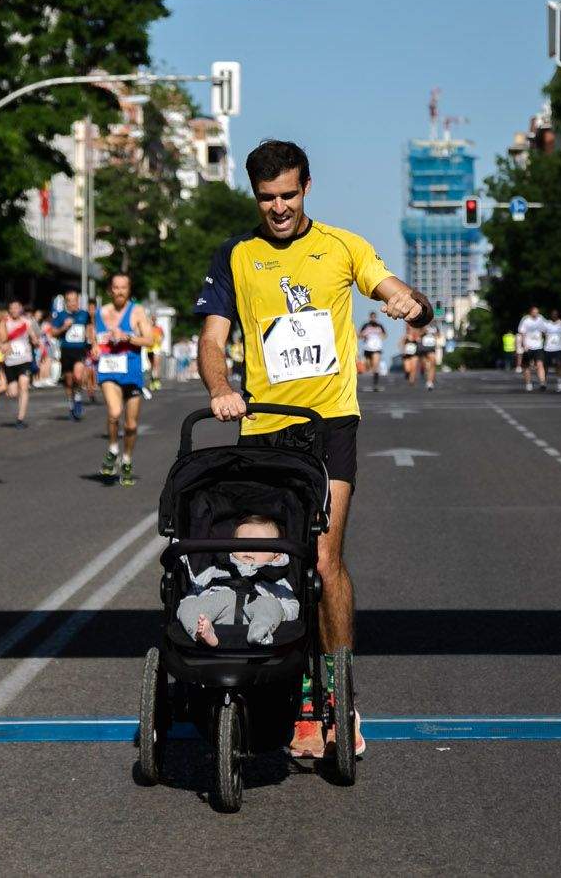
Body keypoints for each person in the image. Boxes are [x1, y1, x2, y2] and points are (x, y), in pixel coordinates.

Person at [196, 139, 434, 763]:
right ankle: (295, 694)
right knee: (268, 563)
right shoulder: (236, 255)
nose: (278, 208)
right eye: (267, 198)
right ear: (255, 196)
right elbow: (213, 340)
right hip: (264, 430)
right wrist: (221, 388)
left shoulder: (342, 246)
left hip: (328, 425)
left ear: (307, 188)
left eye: (288, 195)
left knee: (324, 560)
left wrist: (408, 302)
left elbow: (394, 290)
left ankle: (338, 693)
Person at [177, 514, 300, 648]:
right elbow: (196, 590)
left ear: (277, 555)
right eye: (243, 543)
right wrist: (194, 603)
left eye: (259, 545)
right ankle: (201, 633)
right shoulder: (216, 570)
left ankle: (260, 632)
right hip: (218, 612)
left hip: (256, 613)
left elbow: (292, 605)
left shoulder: (276, 579)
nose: (249, 549)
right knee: (187, 605)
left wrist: (280, 612)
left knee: (272, 605)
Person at [93, 271, 155, 487]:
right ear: (110, 289)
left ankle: (126, 459)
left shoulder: (137, 312)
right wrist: (93, 349)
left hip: (132, 372)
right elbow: (95, 339)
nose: (119, 291)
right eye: (116, 287)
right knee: (114, 412)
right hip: (108, 370)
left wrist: (127, 336)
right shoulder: (100, 313)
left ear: (129, 290)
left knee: (130, 425)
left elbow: (150, 339)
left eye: (123, 287)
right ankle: (112, 448)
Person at [48, 289, 94, 420]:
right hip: (66, 351)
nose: (73, 303)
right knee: (68, 381)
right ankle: (71, 406)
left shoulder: (84, 314)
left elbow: (91, 327)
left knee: (78, 377)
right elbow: (53, 333)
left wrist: (91, 339)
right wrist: (63, 327)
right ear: (66, 302)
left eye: (75, 300)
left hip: (80, 350)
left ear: (78, 301)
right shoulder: (60, 315)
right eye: (70, 301)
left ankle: (78, 398)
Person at [0, 299, 37, 428]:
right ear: (9, 309)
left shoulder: (26, 322)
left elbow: (33, 337)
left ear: (21, 309)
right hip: (10, 361)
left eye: (16, 307)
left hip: (24, 359)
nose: (14, 310)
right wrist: (2, 347)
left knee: (24, 386)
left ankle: (20, 418)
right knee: (13, 392)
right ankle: (8, 390)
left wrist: (35, 341)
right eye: (12, 308)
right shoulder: (5, 323)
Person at [516, 305, 548, 392]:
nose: (536, 314)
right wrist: (524, 345)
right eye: (534, 312)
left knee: (540, 364)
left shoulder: (541, 319)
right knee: (526, 366)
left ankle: (542, 382)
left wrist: (544, 338)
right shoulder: (526, 320)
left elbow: (545, 329)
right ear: (530, 312)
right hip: (528, 346)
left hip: (538, 346)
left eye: (537, 312)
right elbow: (522, 332)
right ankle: (528, 383)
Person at [540, 308, 561, 393]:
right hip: (548, 348)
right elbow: (542, 334)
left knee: (558, 364)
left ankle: (560, 383)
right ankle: (544, 382)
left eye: (555, 314)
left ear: (557, 315)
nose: (554, 315)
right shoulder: (546, 324)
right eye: (552, 314)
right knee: (546, 366)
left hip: (558, 348)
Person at [357, 316, 385, 393]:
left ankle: (375, 382)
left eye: (374, 317)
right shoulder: (365, 325)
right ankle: (373, 374)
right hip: (367, 349)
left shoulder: (380, 326)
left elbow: (385, 335)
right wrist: (363, 335)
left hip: (377, 349)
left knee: (376, 365)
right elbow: (359, 336)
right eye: (372, 317)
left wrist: (381, 336)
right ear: (370, 318)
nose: (373, 319)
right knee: (368, 366)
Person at [419, 319, 442, 390]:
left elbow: (438, 335)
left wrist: (435, 335)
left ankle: (430, 382)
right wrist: (424, 331)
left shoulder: (435, 326)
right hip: (423, 347)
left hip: (431, 347)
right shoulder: (422, 324)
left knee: (432, 363)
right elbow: (418, 334)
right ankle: (423, 371)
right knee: (426, 365)